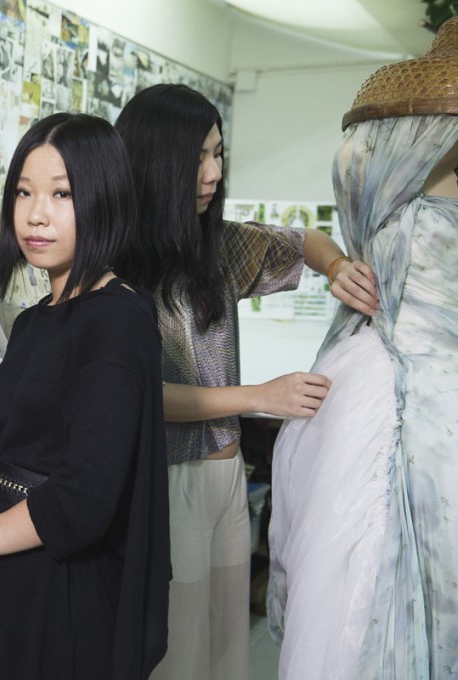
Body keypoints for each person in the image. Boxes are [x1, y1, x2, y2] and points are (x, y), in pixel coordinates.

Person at [0, 112, 170, 679]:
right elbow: (14, 450)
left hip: (61, 587)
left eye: (61, 194)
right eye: (24, 192)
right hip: (7, 569)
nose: (36, 214)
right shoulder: (36, 320)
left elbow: (87, 494)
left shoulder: (118, 320)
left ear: (104, 200)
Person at [113, 84, 379, 680]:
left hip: (227, 480)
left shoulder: (218, 246)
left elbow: (302, 241)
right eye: (198, 158)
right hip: (165, 481)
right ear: (156, 161)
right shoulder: (114, 269)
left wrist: (336, 266)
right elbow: (136, 400)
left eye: (219, 153)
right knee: (177, 653)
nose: (213, 173)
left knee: (225, 648)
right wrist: (260, 396)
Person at [267, 21, 458, 679]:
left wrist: (340, 260)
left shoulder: (371, 151)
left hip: (368, 377)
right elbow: (297, 243)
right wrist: (337, 263)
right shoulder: (425, 155)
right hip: (418, 394)